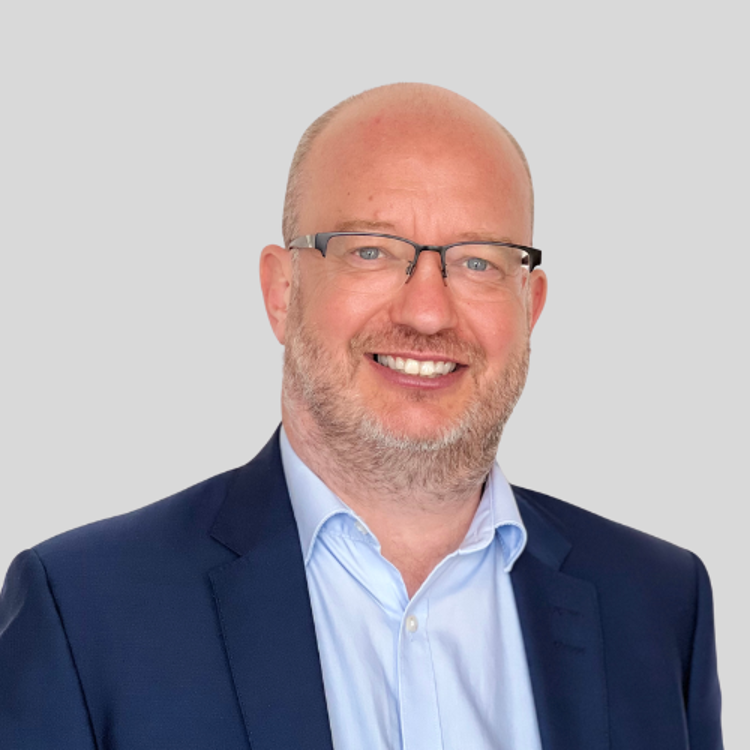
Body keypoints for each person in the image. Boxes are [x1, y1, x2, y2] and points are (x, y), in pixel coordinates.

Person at [0, 83, 722, 749]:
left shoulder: (660, 605)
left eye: (478, 262)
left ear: (529, 307)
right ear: (282, 293)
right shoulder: (85, 613)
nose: (428, 312)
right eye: (371, 251)